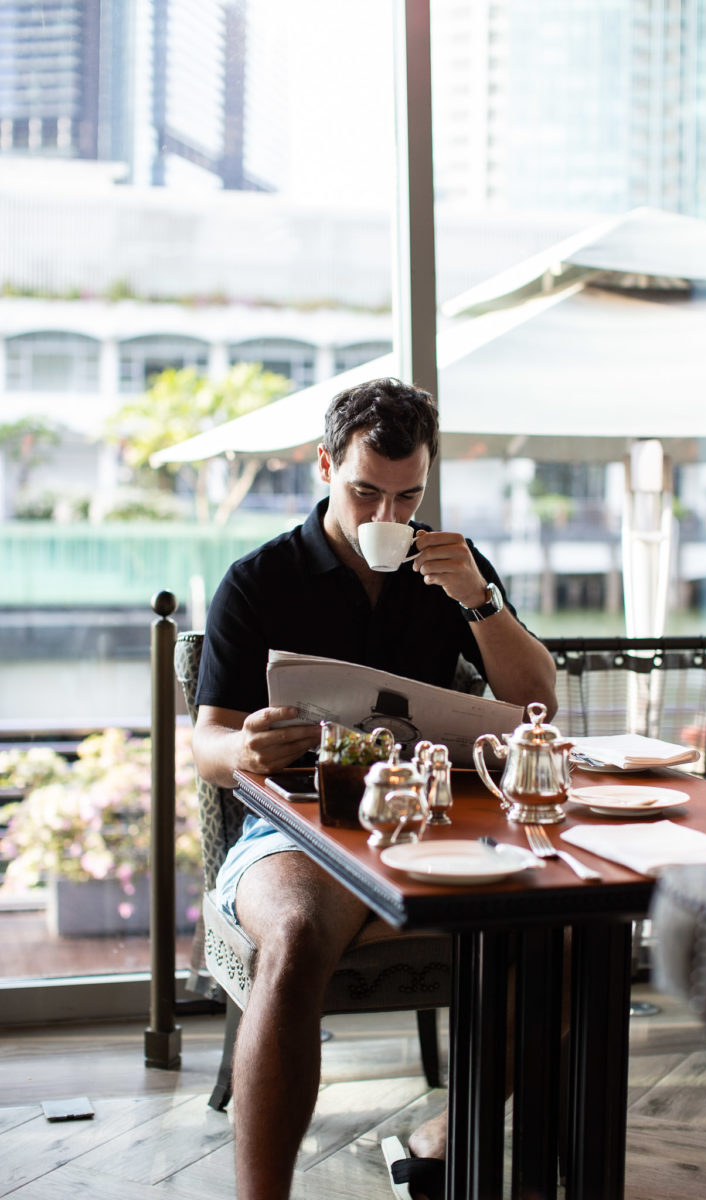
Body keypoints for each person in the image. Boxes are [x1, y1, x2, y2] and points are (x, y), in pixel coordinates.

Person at [192, 377, 557, 1200]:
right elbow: (206, 743)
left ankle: (439, 1142)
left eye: (408, 496)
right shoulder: (260, 580)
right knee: (292, 937)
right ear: (324, 466)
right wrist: (244, 746)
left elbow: (537, 699)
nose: (387, 518)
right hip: (300, 827)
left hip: (436, 816)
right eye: (364, 492)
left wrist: (480, 600)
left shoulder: (452, 569)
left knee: (569, 940)